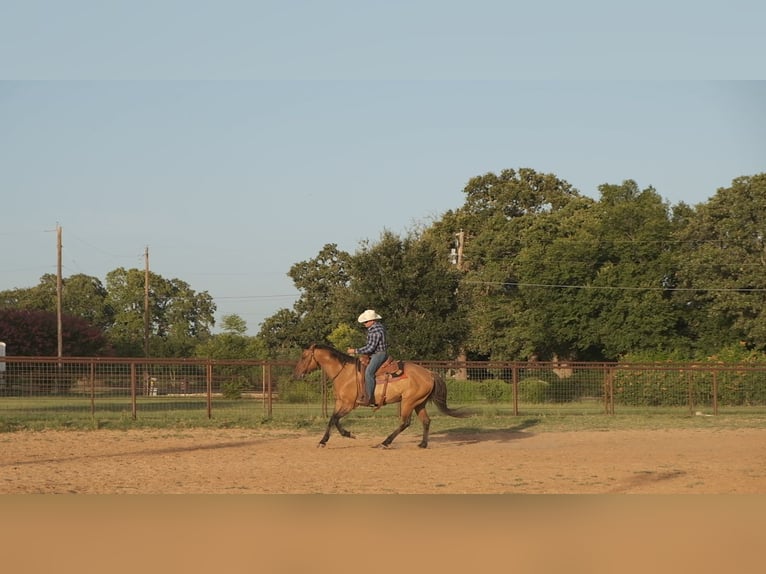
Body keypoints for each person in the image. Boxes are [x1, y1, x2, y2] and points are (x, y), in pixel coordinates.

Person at [346, 309, 388, 407]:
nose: (364, 323)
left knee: (369, 373)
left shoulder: (376, 330)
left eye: (366, 321)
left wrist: (355, 351)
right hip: (375, 353)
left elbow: (370, 347)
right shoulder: (375, 328)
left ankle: (369, 398)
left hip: (379, 354)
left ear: (372, 321)